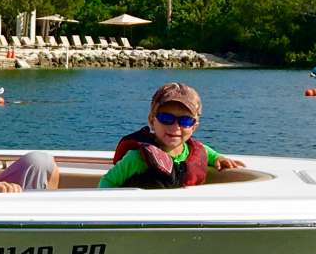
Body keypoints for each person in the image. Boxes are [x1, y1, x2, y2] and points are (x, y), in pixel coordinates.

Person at [98, 81, 245, 189]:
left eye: (185, 121)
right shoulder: (136, 159)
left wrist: (219, 158)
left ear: (194, 127)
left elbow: (207, 152)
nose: (175, 127)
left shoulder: (197, 151)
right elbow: (107, 182)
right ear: (151, 120)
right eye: (166, 119)